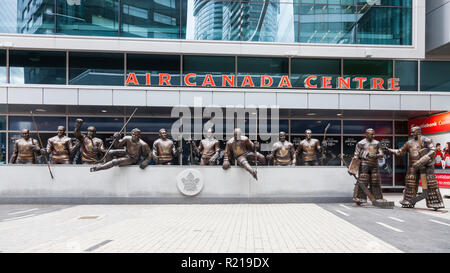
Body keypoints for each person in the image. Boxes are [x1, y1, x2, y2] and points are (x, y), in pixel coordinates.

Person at [387, 126, 444, 209]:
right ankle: (408, 201)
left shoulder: (426, 140)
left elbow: (433, 150)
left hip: (426, 165)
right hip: (413, 165)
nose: (412, 134)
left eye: (414, 132)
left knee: (430, 183)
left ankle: (435, 203)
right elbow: (400, 152)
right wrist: (389, 150)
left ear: (419, 132)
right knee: (410, 183)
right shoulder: (409, 143)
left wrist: (422, 160)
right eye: (412, 132)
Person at [349, 128, 386, 205]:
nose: (373, 135)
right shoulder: (361, 143)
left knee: (375, 180)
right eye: (371, 134)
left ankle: (378, 198)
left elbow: (382, 154)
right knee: (363, 180)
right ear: (366, 134)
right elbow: (356, 154)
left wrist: (376, 155)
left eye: (373, 134)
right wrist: (353, 168)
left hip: (374, 164)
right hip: (364, 164)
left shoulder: (377, 143)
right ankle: (360, 198)